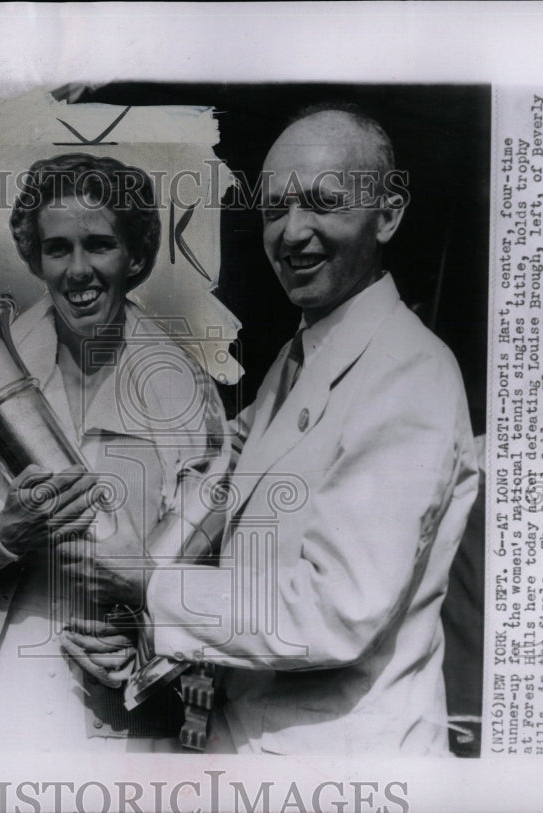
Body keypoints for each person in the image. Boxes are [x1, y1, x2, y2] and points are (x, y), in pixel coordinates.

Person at [63, 106, 480, 754]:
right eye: (275, 209)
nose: (292, 232)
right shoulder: (300, 357)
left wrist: (149, 585)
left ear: (389, 213)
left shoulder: (410, 377)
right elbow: (224, 474)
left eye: (322, 203)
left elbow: (334, 608)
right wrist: (139, 617)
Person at [0, 153, 228, 750]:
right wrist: (4, 535)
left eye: (99, 245)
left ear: (135, 256)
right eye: (57, 248)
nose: (77, 270)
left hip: (117, 723)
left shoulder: (189, 390)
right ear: (34, 258)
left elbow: (219, 586)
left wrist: (146, 633)